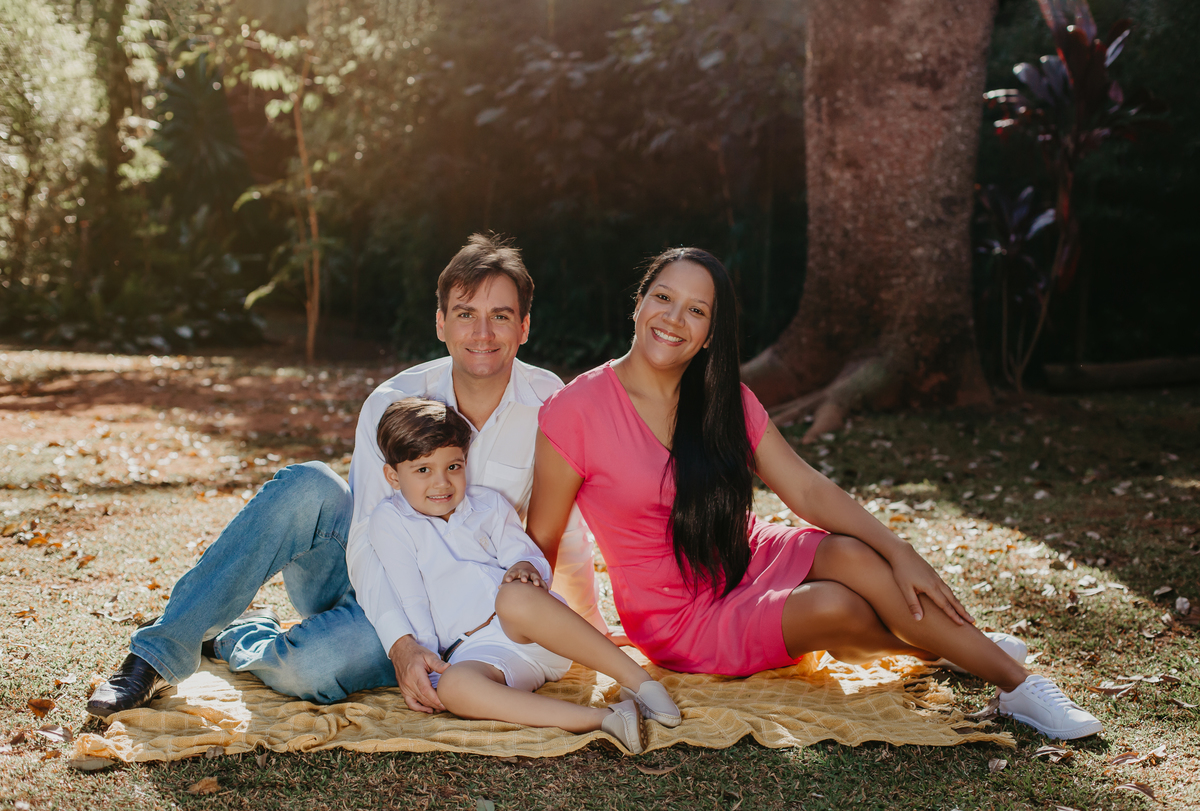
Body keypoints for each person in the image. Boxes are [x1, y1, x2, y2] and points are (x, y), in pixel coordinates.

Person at [527, 247, 1103, 741]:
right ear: (638, 303)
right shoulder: (575, 411)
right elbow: (543, 540)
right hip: (678, 616)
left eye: (696, 310)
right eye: (663, 297)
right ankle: (957, 649)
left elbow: (803, 485)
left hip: (747, 554)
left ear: (710, 334)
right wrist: (519, 632)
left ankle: (1015, 686)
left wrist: (901, 551)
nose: (674, 318)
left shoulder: (724, 397)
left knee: (853, 555)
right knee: (835, 607)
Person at [88, 234, 608, 717]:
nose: (482, 333)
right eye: (465, 314)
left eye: (500, 316)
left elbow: (561, 525)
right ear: (440, 323)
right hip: (373, 577)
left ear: (524, 327)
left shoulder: (549, 404)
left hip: (460, 613)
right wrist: (400, 645)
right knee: (307, 485)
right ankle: (156, 656)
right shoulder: (393, 400)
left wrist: (583, 622)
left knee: (311, 669)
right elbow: (363, 535)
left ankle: (238, 635)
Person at [367, 397, 679, 753]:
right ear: (393, 476)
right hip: (479, 653)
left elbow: (524, 553)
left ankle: (640, 683)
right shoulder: (390, 521)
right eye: (423, 470)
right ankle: (605, 718)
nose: (442, 483)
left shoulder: (488, 504)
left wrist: (525, 566)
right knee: (455, 686)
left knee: (513, 596)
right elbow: (411, 598)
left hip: (534, 632)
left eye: (453, 466)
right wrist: (429, 669)